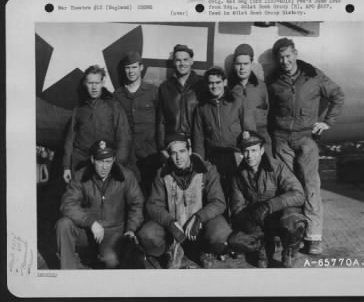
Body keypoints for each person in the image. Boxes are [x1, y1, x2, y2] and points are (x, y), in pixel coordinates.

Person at [267, 38, 345, 255]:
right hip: (282, 140)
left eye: (288, 56)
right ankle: (291, 233)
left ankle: (313, 237)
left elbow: (338, 95)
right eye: (281, 57)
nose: (285, 61)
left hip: (306, 139)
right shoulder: (273, 81)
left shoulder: (313, 75)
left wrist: (327, 122)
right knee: (289, 188)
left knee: (311, 186)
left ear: (295, 54)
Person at [137, 133, 232, 269]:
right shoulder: (162, 173)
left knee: (221, 233)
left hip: (200, 226)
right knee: (147, 235)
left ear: (190, 150)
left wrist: (200, 217)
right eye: (173, 153)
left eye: (182, 151)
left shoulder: (207, 170)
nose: (178, 157)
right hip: (174, 229)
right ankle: (170, 250)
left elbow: (218, 202)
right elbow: (153, 205)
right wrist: (169, 222)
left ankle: (205, 250)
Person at [56, 140, 144, 269]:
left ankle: (101, 258)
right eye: (100, 161)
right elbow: (67, 204)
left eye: (108, 161)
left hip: (113, 232)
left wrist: (131, 229)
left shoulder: (126, 176)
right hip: (88, 230)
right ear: (92, 159)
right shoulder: (81, 175)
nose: (104, 167)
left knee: (112, 265)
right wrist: (90, 222)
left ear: (114, 159)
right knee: (63, 224)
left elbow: (137, 204)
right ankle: (68, 273)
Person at [230, 130, 306, 268]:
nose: (249, 155)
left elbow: (298, 194)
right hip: (258, 221)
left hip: (277, 217)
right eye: (245, 151)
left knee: (294, 220)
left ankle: (288, 249)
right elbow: (237, 207)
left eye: (253, 150)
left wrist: (270, 205)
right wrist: (250, 222)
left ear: (261, 150)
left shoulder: (277, 167)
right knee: (234, 240)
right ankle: (263, 247)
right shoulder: (238, 176)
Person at [193, 66, 256, 210]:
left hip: (235, 156)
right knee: (217, 196)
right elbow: (198, 138)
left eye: (218, 82)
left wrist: (246, 155)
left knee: (238, 195)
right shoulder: (202, 107)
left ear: (225, 82)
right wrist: (200, 165)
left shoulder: (237, 101)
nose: (214, 86)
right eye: (211, 83)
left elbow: (250, 130)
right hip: (214, 157)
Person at [63, 65, 132, 183]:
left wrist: (116, 166)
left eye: (97, 83)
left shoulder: (113, 107)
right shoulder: (79, 109)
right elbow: (70, 141)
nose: (94, 87)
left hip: (105, 166)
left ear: (102, 82)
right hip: (81, 165)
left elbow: (124, 138)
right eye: (90, 83)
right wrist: (67, 167)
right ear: (85, 83)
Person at [114, 52, 159, 194]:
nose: (131, 71)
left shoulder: (152, 91)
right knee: (131, 192)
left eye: (134, 67)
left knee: (151, 190)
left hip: (150, 151)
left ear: (141, 68)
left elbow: (161, 121)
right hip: (128, 153)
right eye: (127, 68)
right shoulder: (118, 95)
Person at [157, 44, 208, 156]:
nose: (182, 64)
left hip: (197, 143)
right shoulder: (165, 87)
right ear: (174, 62)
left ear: (191, 61)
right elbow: (161, 120)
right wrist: (162, 147)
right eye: (178, 60)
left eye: (185, 60)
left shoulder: (202, 84)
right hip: (173, 144)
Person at [230, 43, 271, 151]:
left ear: (251, 64)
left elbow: (270, 115)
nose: (242, 68)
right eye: (238, 64)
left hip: (261, 140)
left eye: (246, 63)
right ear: (234, 65)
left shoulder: (261, 87)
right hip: (237, 142)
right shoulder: (228, 89)